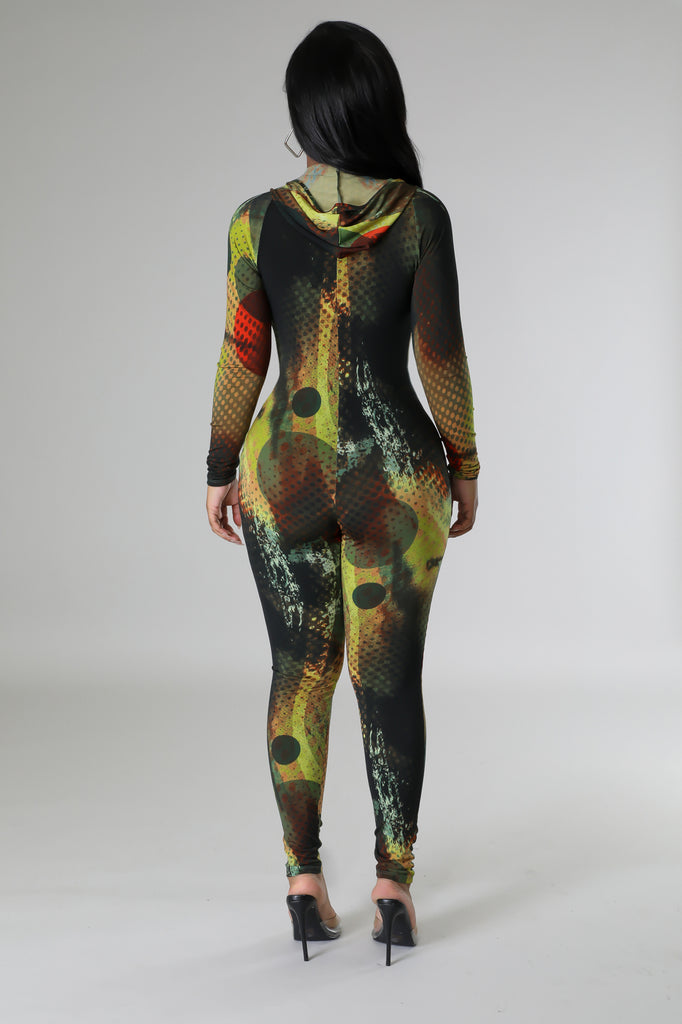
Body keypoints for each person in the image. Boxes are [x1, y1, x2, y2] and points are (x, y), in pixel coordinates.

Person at [205, 19, 480, 966]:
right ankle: (393, 886)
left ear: (303, 114)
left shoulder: (254, 221)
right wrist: (466, 463)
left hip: (281, 472)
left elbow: (242, 354)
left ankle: (302, 879)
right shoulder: (421, 217)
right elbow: (440, 357)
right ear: (380, 107)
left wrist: (218, 467)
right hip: (394, 480)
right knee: (387, 678)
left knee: (299, 672)